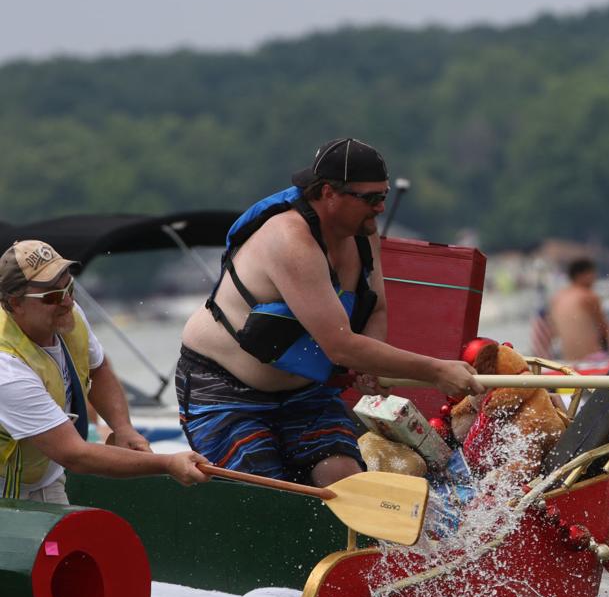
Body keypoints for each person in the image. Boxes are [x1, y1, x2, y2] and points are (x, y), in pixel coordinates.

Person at [178, 138, 483, 487]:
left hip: (306, 393)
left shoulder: (361, 231)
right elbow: (340, 348)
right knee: (268, 493)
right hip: (224, 389)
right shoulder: (290, 239)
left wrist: (372, 365)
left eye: (383, 196)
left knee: (346, 483)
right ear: (327, 193)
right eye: (370, 198)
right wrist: (437, 371)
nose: (380, 208)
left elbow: (376, 308)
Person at [0, 240, 209, 502]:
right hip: (7, 491)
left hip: (44, 476)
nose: (66, 301)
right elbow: (74, 455)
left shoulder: (68, 312)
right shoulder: (6, 368)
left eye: (70, 287)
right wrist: (167, 464)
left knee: (61, 544)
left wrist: (122, 428)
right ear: (15, 303)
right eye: (51, 296)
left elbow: (99, 369)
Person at [545, 257, 607, 363]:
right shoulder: (588, 296)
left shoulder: (557, 298)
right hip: (592, 361)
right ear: (581, 275)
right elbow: (604, 329)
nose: (595, 278)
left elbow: (552, 331)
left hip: (568, 361)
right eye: (592, 274)